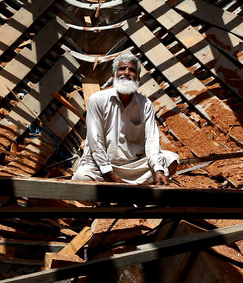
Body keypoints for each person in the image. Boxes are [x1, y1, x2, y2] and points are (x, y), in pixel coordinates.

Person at [72, 52, 178, 185]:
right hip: (103, 166)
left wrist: (158, 170)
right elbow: (95, 142)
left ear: (138, 78)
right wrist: (110, 175)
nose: (126, 73)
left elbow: (152, 141)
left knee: (170, 159)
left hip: (135, 165)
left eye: (132, 70)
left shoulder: (145, 104)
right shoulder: (97, 100)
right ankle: (127, 190)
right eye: (122, 69)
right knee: (82, 177)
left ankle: (121, 190)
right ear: (113, 76)